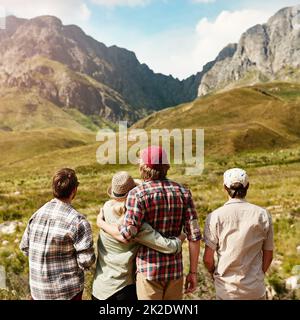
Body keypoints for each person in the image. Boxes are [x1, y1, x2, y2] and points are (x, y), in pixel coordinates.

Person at [98, 146, 201, 300]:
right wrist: (193, 273)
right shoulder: (183, 192)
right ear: (166, 166)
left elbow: (126, 235)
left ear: (143, 168)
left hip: (149, 271)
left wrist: (101, 223)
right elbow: (194, 237)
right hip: (175, 271)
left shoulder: (137, 194)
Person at [92, 171, 185, 301]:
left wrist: (100, 223)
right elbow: (168, 246)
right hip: (122, 288)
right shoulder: (135, 225)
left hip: (99, 288)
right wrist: (182, 236)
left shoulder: (106, 208)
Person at [20, 168, 95, 300]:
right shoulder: (78, 221)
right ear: (74, 191)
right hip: (66, 292)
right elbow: (86, 261)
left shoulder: (37, 215)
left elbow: (25, 248)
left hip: (38, 291)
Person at [203, 168, 274, 300]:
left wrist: (214, 274)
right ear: (248, 186)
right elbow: (268, 256)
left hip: (227, 291)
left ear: (225, 187)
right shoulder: (263, 215)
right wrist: (257, 276)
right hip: (255, 290)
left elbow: (207, 259)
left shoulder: (215, 217)